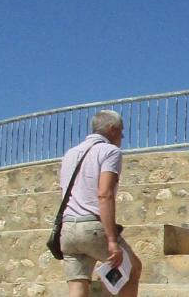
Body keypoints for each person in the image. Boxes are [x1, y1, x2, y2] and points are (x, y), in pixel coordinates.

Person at [58, 109, 142, 297]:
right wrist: (112, 240)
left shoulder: (70, 154)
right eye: (121, 131)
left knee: (77, 285)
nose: (122, 136)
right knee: (131, 270)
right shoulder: (110, 152)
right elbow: (104, 194)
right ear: (112, 129)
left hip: (68, 227)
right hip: (93, 226)